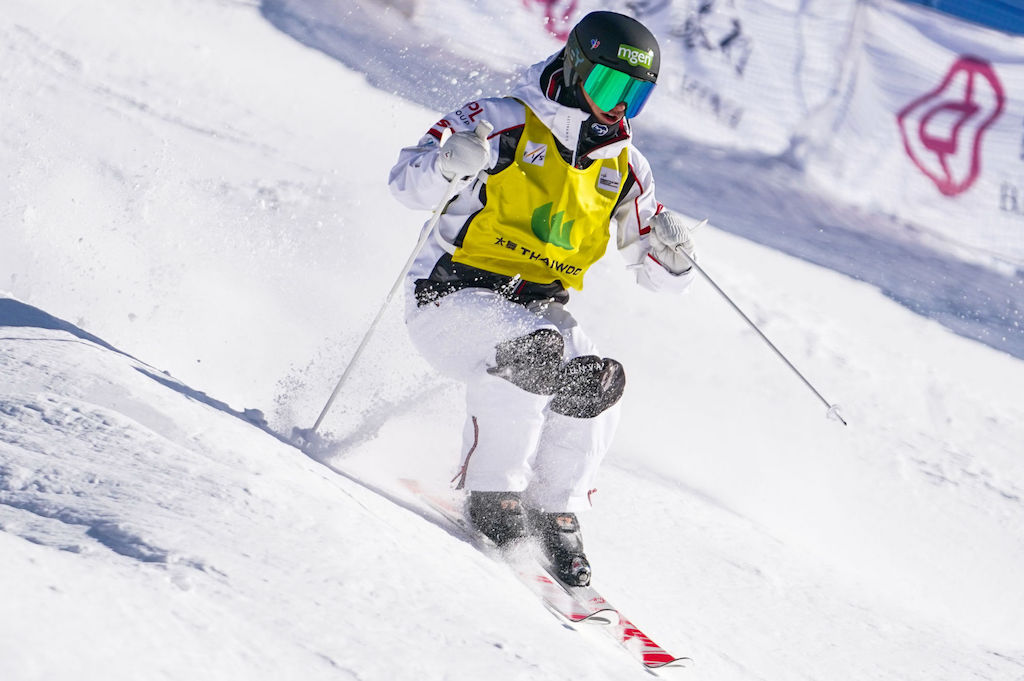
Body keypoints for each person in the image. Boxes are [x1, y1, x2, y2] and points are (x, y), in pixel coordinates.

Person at [388, 10, 697, 587]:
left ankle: (554, 508)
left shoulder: (626, 168)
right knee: (535, 351)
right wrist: (449, 164)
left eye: (635, 94)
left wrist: (673, 256)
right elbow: (406, 183)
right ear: (575, 66)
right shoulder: (500, 121)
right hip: (449, 296)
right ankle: (493, 493)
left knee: (596, 377)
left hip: (536, 310)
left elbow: (658, 277)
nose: (618, 106)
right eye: (609, 84)